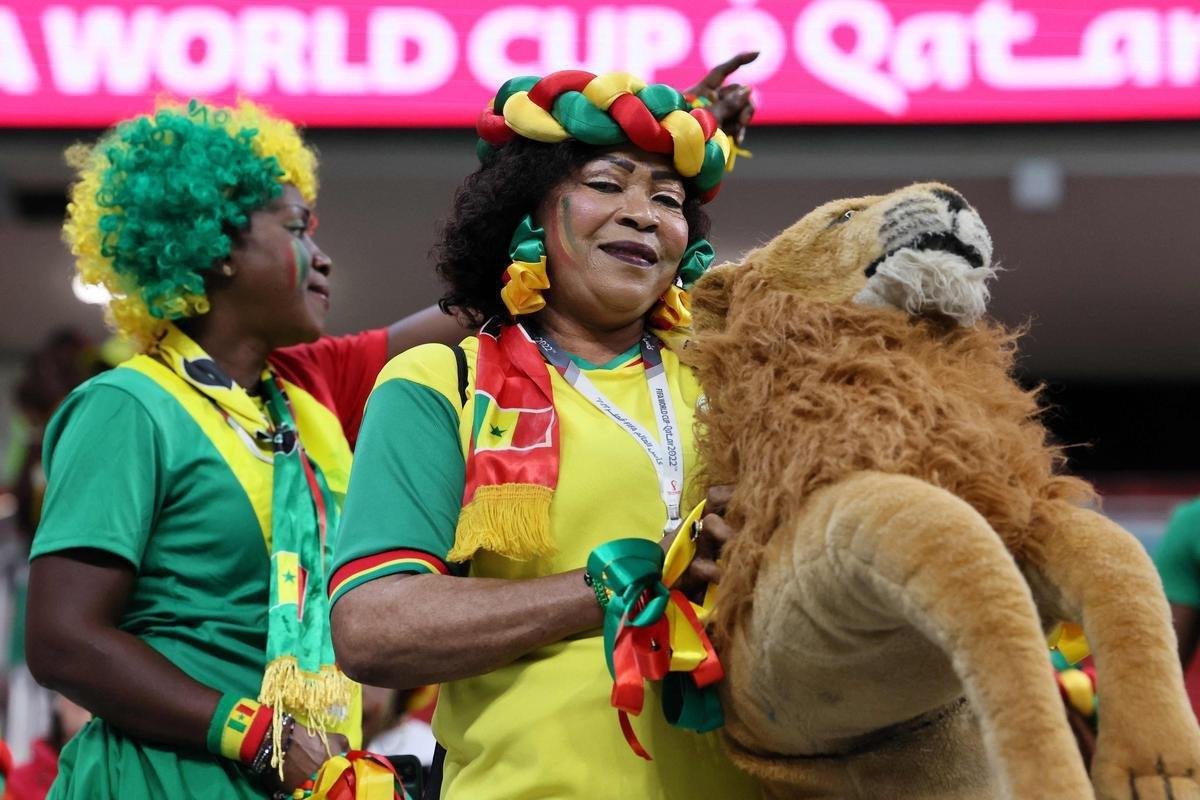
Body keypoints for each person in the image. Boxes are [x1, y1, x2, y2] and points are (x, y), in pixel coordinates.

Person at [328, 65, 763, 798]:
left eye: (668, 198)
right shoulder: (441, 385)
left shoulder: (738, 387)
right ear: (528, 213)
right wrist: (628, 579)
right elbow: (373, 627)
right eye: (606, 183)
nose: (644, 213)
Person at [24, 99, 462, 799]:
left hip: (308, 778)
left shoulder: (307, 386)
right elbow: (62, 640)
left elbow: (475, 308)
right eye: (295, 229)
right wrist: (253, 735)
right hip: (162, 778)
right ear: (213, 249)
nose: (322, 257)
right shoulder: (126, 407)